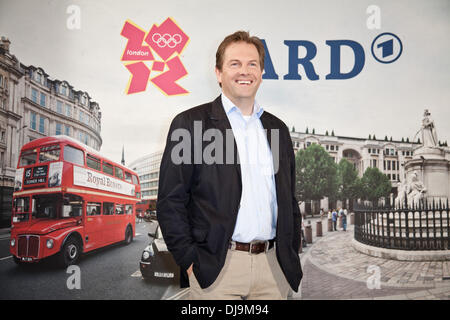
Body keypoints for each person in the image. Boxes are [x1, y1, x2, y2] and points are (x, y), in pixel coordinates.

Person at [157, 31, 302, 300]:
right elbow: (170, 201)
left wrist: (291, 252)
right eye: (234, 63)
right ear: (218, 73)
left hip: (274, 270)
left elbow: (289, 201)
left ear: (261, 72)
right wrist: (190, 262)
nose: (244, 71)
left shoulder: (278, 129)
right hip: (217, 271)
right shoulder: (190, 125)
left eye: (252, 64)